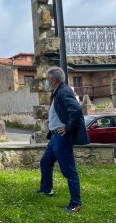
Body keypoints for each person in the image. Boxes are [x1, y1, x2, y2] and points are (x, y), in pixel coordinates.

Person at [35, 67, 89, 212]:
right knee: (45, 162)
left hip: (62, 137)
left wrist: (67, 128)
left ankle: (76, 204)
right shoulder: (57, 91)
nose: (46, 82)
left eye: (47, 79)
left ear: (54, 80)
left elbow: (76, 110)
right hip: (54, 136)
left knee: (69, 170)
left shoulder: (63, 91)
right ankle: (46, 189)